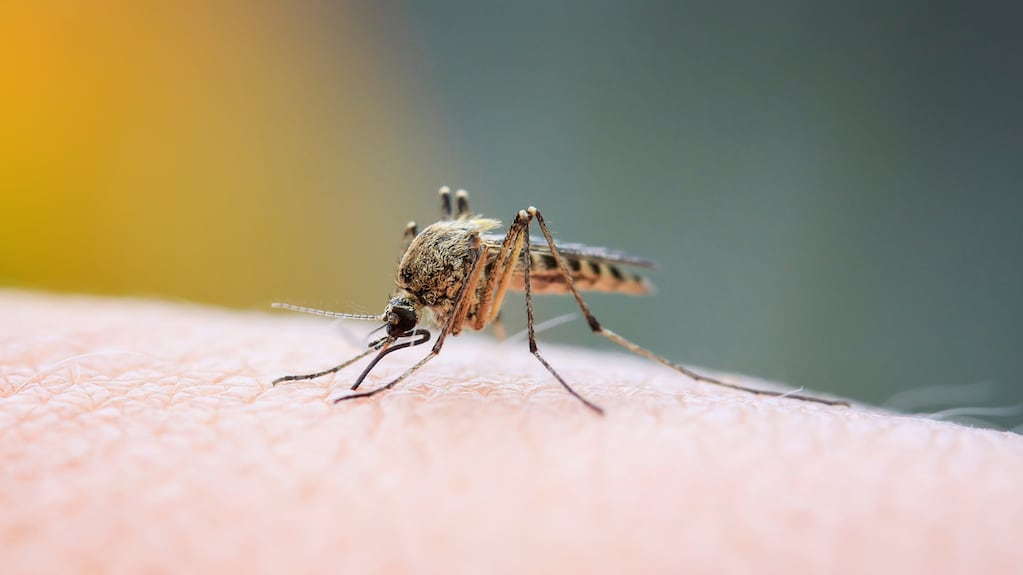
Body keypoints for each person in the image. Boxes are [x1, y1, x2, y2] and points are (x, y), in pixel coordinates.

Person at [3, 291, 1020, 573]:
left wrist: (524, 336)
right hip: (474, 262)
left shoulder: (457, 287)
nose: (401, 334)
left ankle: (552, 352)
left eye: (398, 329)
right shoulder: (419, 299)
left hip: (530, 259)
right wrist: (359, 356)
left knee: (499, 235)